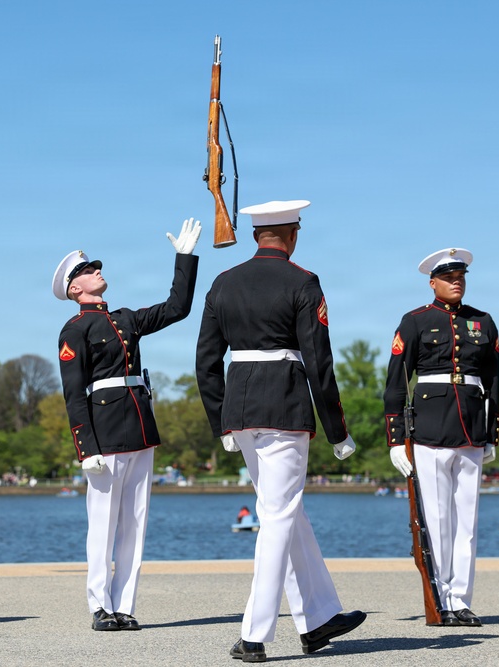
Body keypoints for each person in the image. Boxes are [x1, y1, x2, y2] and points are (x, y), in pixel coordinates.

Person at [195, 200, 366, 661]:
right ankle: (254, 634)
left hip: (241, 407)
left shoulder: (223, 282)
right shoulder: (302, 282)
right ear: (292, 234)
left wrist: (220, 420)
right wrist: (337, 429)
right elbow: (319, 361)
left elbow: (206, 362)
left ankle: (319, 619)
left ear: (256, 235)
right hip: (283, 405)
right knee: (277, 517)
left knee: (286, 513)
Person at [53, 218, 201, 632]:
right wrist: (87, 449)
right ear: (74, 289)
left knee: (135, 522)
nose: (96, 270)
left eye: (94, 266)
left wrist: (184, 259)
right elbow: (73, 393)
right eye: (87, 270)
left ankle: (124, 605)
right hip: (104, 433)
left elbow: (177, 308)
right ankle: (100, 606)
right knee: (103, 524)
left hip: (139, 427)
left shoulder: (126, 319)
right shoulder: (75, 329)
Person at [384, 247, 499, 628]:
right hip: (430, 430)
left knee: (467, 522)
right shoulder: (415, 321)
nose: (456, 282)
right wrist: (396, 438)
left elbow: (493, 382)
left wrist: (493, 432)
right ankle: (440, 600)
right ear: (432, 283)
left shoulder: (482, 322)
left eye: (461, 277)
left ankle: (460, 600)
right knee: (436, 520)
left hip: (471, 429)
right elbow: (396, 383)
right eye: (449, 278)